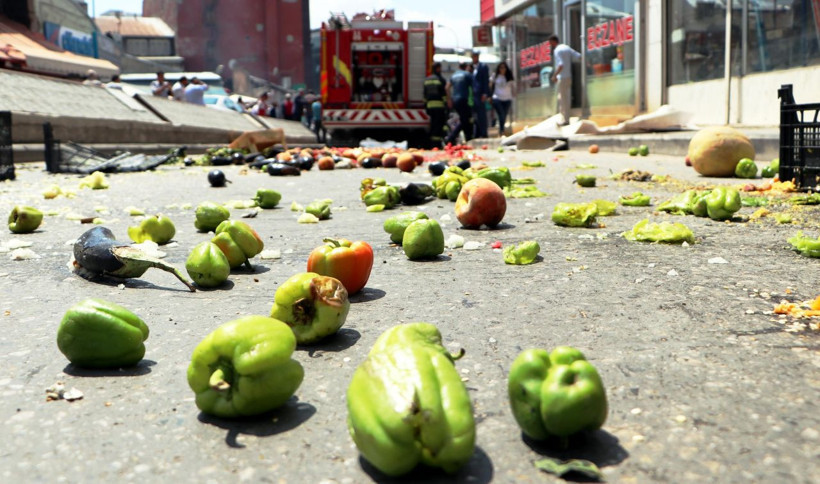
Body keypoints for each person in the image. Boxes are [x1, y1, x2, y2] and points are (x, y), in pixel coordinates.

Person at [548, 34, 581, 126]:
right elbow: (578, 56)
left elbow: (561, 65)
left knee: (562, 99)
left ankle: (565, 120)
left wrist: (554, 75)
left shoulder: (557, 50)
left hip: (562, 77)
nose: (550, 45)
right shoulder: (566, 47)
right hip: (569, 76)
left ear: (553, 41)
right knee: (567, 97)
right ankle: (567, 118)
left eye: (550, 43)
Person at [445, 62, 475, 145]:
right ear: (466, 67)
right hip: (464, 100)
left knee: (465, 118)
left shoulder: (454, 75)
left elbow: (447, 87)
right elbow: (474, 86)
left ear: (458, 67)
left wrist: (449, 100)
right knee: (465, 120)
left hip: (455, 100)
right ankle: (451, 137)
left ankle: (467, 137)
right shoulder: (467, 74)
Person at [423, 62, 448, 149]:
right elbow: (444, 95)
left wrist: (425, 105)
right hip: (439, 107)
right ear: (437, 68)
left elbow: (425, 94)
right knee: (439, 125)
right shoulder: (440, 79)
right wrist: (446, 105)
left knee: (432, 125)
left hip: (430, 107)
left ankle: (431, 144)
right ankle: (436, 145)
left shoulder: (427, 80)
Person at [491, 61, 514, 136]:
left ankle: (501, 130)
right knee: (501, 114)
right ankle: (501, 131)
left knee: (504, 115)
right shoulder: (495, 76)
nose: (502, 69)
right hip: (497, 98)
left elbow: (513, 87)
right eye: (501, 68)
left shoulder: (509, 77)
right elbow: (490, 85)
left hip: (507, 99)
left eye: (504, 67)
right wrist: (489, 96)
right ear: (498, 69)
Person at [471, 50, 490, 138]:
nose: (474, 58)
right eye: (473, 56)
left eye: (476, 56)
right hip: (473, 95)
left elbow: (485, 81)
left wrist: (485, 93)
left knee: (482, 114)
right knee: (474, 115)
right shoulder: (471, 67)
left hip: (480, 94)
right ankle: (476, 133)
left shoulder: (483, 67)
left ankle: (484, 132)